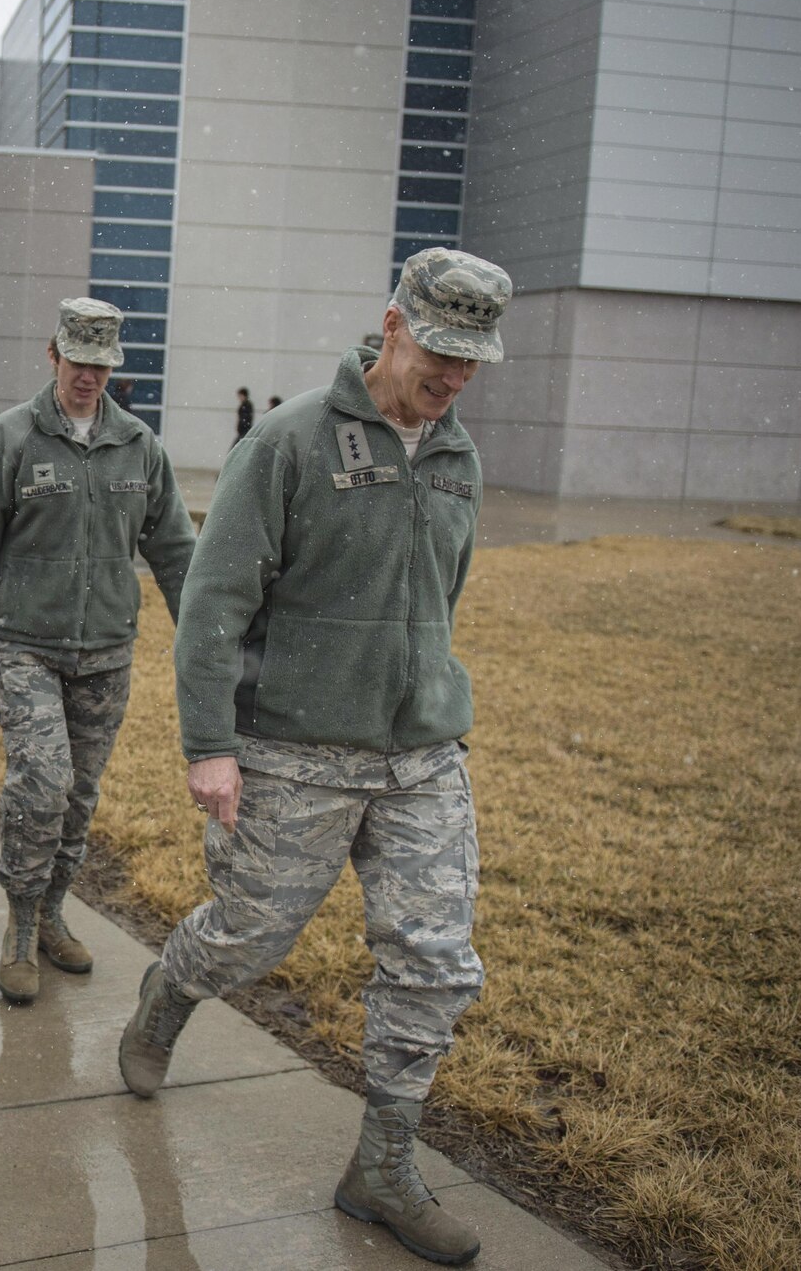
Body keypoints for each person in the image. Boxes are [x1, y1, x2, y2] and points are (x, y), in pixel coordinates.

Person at [117, 247, 512, 1267]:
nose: (452, 376)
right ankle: (171, 988)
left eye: (470, 360)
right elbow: (211, 604)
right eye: (437, 352)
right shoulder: (289, 441)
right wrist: (209, 744)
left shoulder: (457, 455)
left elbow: (439, 593)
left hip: (420, 750)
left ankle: (381, 1163)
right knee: (249, 934)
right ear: (391, 324)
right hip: (292, 747)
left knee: (432, 959)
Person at [0, 298, 196, 1004]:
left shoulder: (138, 445)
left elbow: (175, 548)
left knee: (80, 796)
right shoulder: (12, 437)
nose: (89, 377)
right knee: (42, 782)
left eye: (102, 366)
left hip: (106, 652)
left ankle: (55, 910)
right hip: (24, 643)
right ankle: (20, 924)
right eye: (79, 362)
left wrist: (205, 634)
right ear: (53, 355)